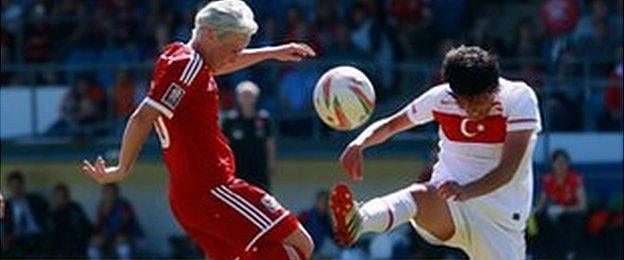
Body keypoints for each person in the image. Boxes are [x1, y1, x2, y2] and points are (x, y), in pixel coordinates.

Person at [80, 1, 316, 259]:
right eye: (233, 49)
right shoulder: (188, 66)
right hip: (212, 188)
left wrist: (272, 52)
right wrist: (122, 168)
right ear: (209, 34)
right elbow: (143, 117)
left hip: (191, 195)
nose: (235, 57)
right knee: (300, 245)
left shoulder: (181, 58)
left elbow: (220, 65)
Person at [329, 46, 541, 260]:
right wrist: (359, 144)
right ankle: (359, 219)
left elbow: (507, 170)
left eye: (477, 102)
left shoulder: (520, 99)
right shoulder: (440, 98)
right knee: (418, 197)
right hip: (449, 203)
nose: (471, 110)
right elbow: (392, 125)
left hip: (499, 218)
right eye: (463, 103)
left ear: (493, 89)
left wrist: (466, 190)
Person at [222, 81, 276, 191]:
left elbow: (270, 144)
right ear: (238, 97)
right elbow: (223, 144)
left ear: (256, 97)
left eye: (250, 95)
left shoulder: (264, 119)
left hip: (259, 169)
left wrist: (271, 166)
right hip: (238, 169)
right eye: (244, 95)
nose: (247, 99)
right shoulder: (230, 120)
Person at [534, 149, 587, 259]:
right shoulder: (548, 180)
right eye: (557, 162)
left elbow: (582, 205)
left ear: (568, 164)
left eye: (563, 162)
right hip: (552, 212)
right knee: (538, 219)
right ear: (552, 164)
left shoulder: (574, 179)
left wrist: (563, 209)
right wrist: (534, 210)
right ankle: (539, 253)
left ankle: (570, 252)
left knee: (577, 220)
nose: (560, 165)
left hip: (569, 211)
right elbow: (541, 203)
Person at [2, 170, 50, 257]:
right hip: (17, 239)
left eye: (18, 185)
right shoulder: (6, 206)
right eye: (13, 186)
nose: (16, 189)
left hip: (36, 236)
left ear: (22, 186)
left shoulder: (35, 200)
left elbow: (48, 213)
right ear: (9, 187)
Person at [88, 184, 143, 259]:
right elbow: (99, 225)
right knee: (94, 243)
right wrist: (98, 236)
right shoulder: (101, 206)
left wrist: (106, 235)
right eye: (107, 192)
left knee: (122, 243)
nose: (110, 194)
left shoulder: (124, 205)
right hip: (109, 236)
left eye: (113, 192)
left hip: (130, 236)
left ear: (117, 193)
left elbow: (125, 225)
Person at [49, 183, 92, 257]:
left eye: (64, 196)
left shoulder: (75, 208)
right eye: (59, 197)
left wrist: (91, 237)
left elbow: (86, 225)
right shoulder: (51, 214)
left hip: (80, 244)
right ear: (54, 198)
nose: (62, 199)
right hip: (62, 248)